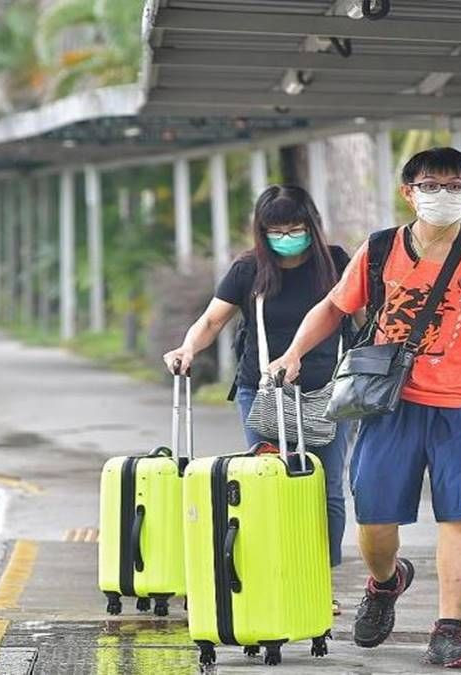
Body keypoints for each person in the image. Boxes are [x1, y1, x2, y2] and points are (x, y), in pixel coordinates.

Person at [267, 148, 461, 669]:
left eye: (455, 185)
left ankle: (449, 632)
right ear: (408, 192)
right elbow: (333, 307)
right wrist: (293, 353)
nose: (443, 195)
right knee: (374, 518)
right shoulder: (378, 252)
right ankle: (385, 582)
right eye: (431, 185)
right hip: (386, 402)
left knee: (460, 515)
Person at [163, 185, 355, 614]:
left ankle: (319, 578)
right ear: (262, 232)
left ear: (312, 226)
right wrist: (188, 349)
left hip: (327, 389)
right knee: (266, 482)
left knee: (324, 487)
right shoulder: (249, 269)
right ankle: (274, 574)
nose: (287, 236)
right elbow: (212, 319)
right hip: (261, 389)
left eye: (296, 228)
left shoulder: (337, 262)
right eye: (276, 230)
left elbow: (364, 313)